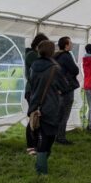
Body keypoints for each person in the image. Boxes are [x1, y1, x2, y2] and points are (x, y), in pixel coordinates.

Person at [28, 40, 68, 175]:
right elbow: (64, 86)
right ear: (52, 51)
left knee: (43, 135)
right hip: (50, 106)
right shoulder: (54, 68)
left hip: (35, 104)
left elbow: (32, 83)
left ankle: (41, 164)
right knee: (47, 138)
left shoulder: (34, 65)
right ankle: (41, 169)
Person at [24, 33, 49, 154]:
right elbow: (35, 74)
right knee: (33, 117)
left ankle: (37, 144)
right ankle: (30, 146)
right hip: (32, 91)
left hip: (38, 90)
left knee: (38, 117)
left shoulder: (36, 55)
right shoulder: (32, 55)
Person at [53, 36, 80, 145]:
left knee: (58, 113)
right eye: (70, 43)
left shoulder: (55, 56)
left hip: (57, 88)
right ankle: (61, 137)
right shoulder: (66, 56)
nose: (72, 44)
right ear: (66, 45)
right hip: (66, 88)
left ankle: (55, 135)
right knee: (64, 114)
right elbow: (75, 70)